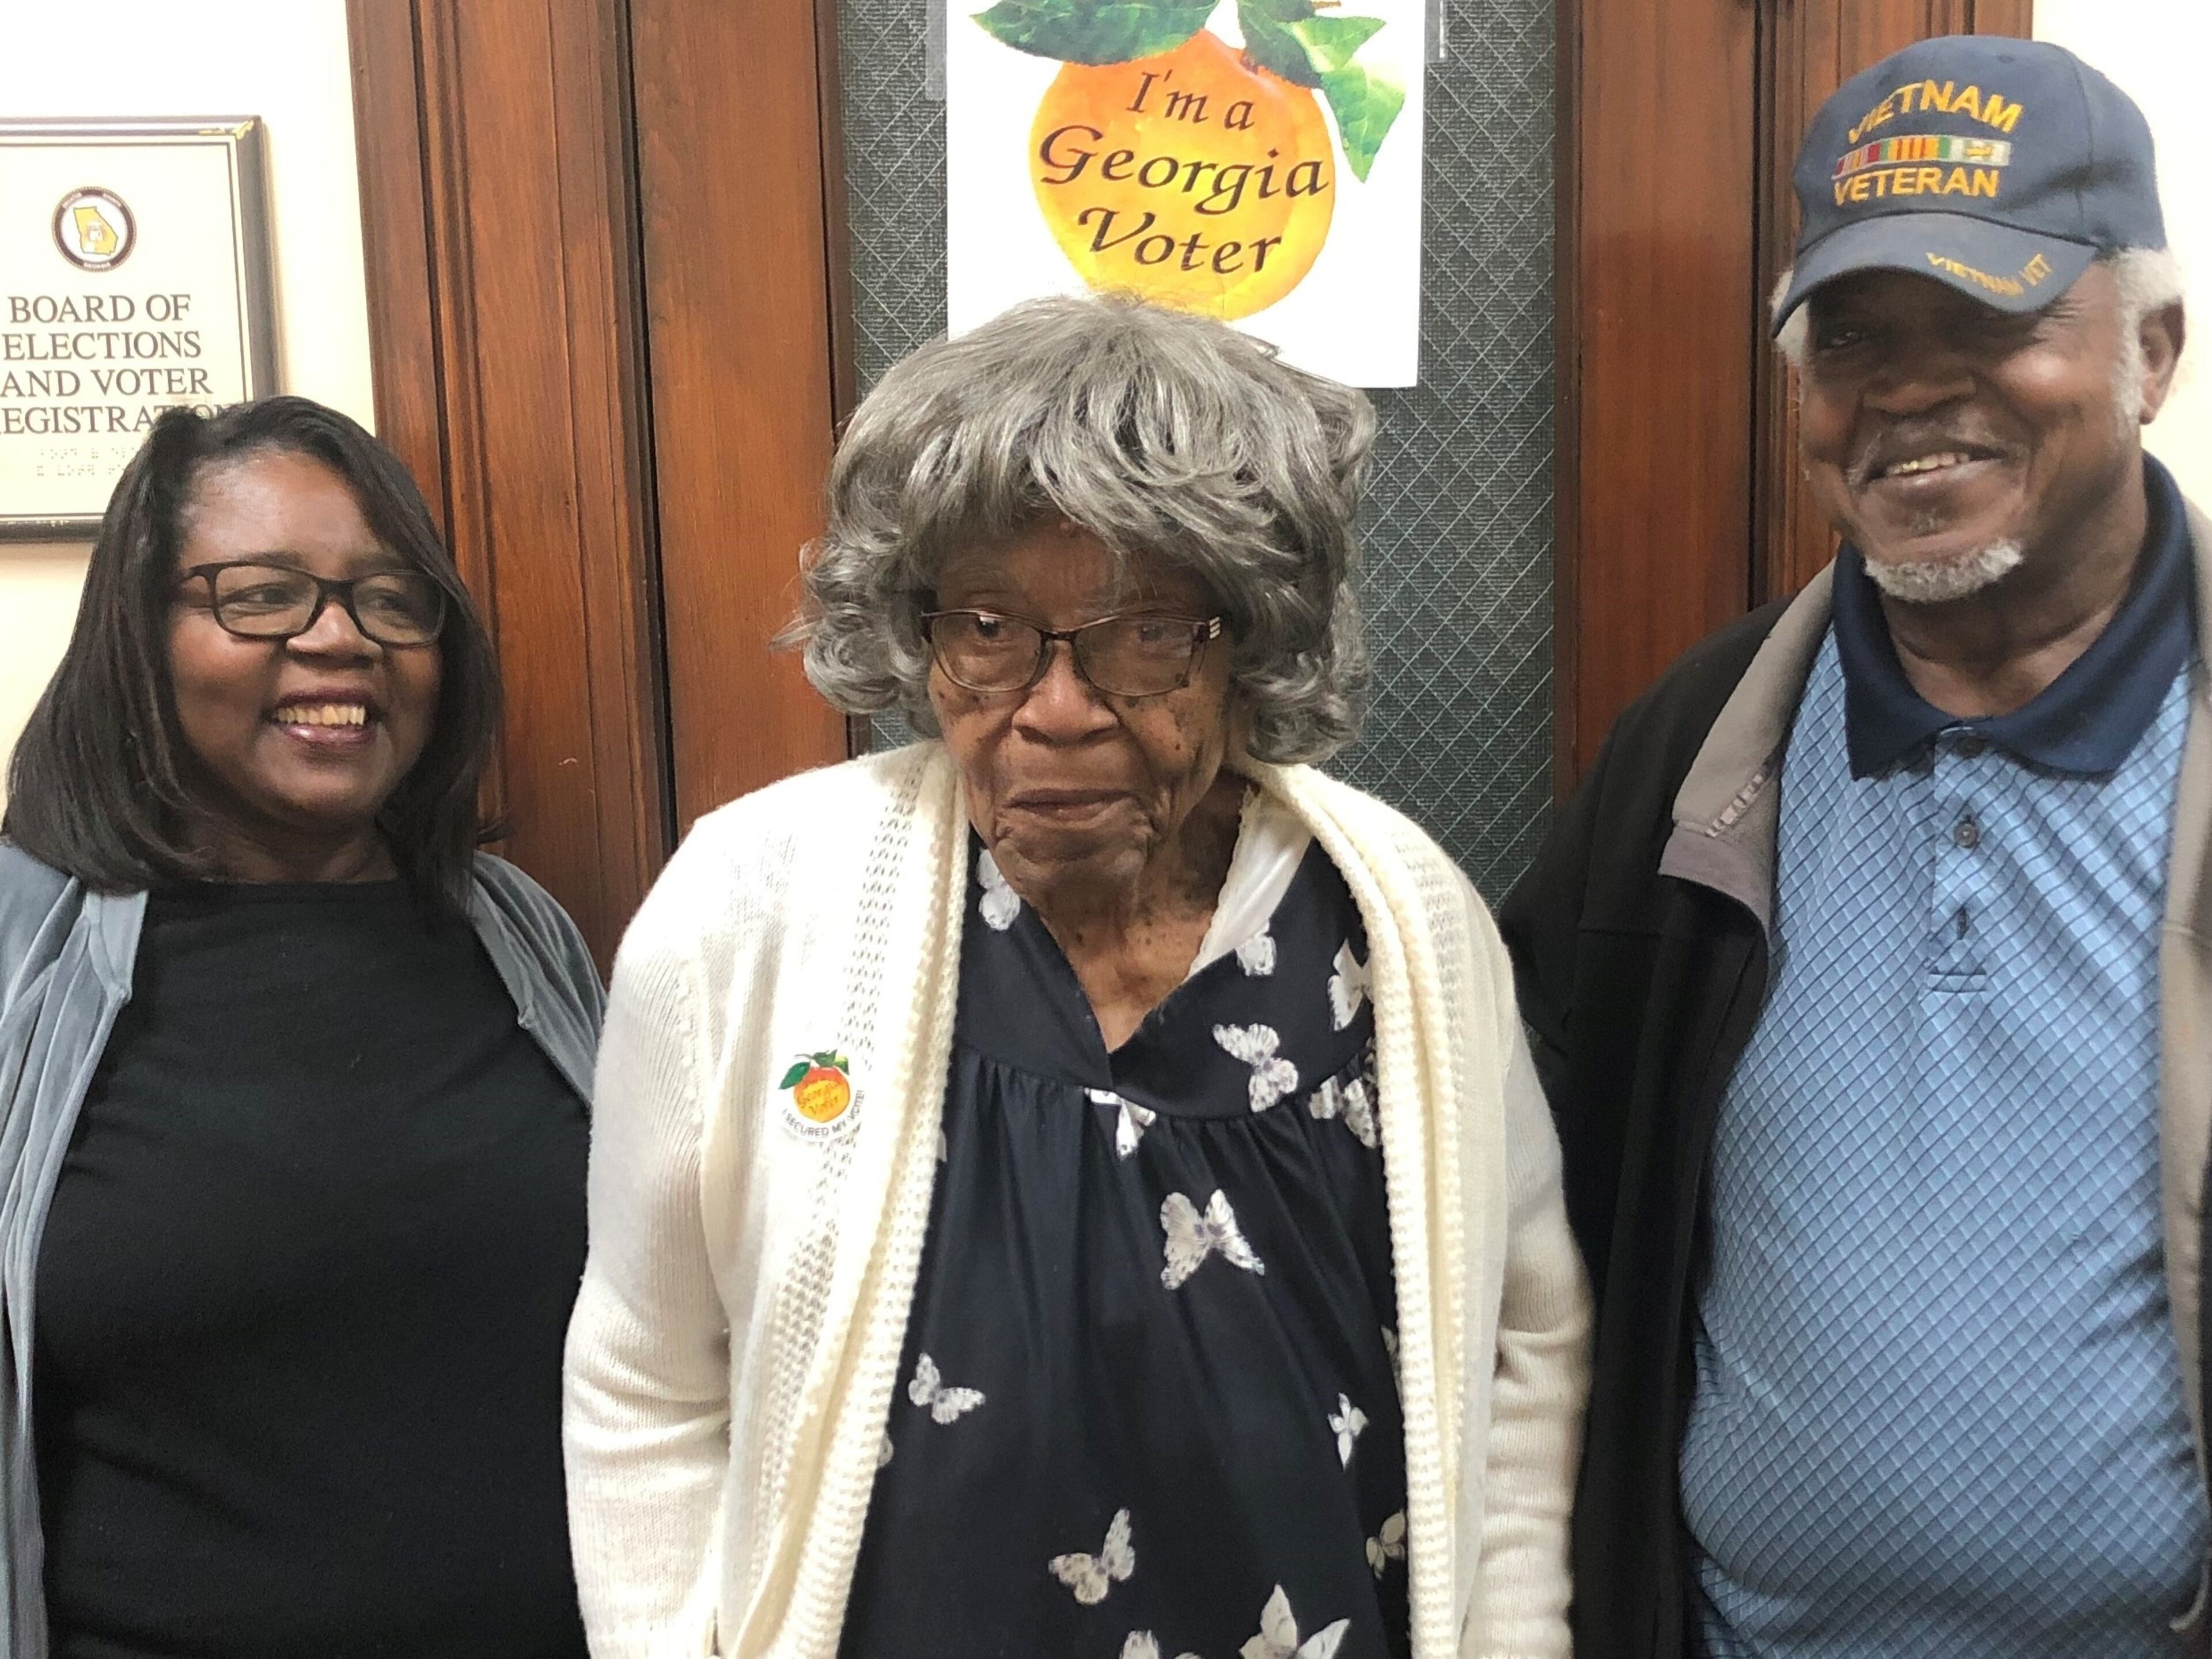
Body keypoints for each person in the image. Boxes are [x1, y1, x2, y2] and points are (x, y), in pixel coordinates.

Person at [564, 294, 1590, 1659]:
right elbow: (644, 1377)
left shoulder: (1399, 924)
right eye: (987, 627)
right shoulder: (750, 911)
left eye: (1147, 631)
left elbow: (1526, 1348)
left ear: (1252, 641)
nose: (1054, 707)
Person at [1499, 34, 2202, 1659]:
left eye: (1991, 319)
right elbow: (1533, 1194)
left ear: (2149, 350)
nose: (1903, 391)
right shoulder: (1700, 749)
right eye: (1856, 338)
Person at [0, 397, 603, 1658]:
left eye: (392, 599)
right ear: (140, 631)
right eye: (263, 595)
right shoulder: (22, 958)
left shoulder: (521, 935)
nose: (342, 639)